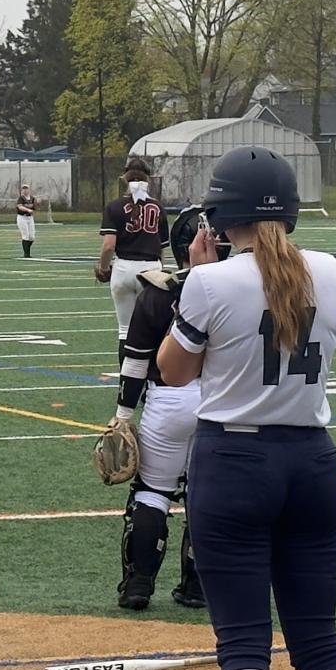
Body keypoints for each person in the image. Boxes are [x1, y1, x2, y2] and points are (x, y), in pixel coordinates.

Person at [157, 146, 336, 670]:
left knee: (243, 644)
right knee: (319, 640)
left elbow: (173, 369)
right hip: (310, 459)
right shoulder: (332, 271)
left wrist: (194, 273)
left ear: (222, 214)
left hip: (235, 458)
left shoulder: (211, 281)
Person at [109, 206, 208, 611]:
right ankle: (198, 586)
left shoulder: (158, 291)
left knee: (152, 492)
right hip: (224, 401)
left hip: (168, 398)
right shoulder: (246, 288)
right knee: (208, 496)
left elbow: (135, 361)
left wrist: (123, 414)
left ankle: (139, 583)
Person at [96, 159, 169, 364]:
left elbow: (109, 245)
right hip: (151, 270)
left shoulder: (114, 207)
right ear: (148, 179)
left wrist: (103, 267)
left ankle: (127, 382)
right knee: (152, 330)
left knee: (125, 330)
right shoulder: (158, 207)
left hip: (123, 268)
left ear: (125, 179)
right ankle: (151, 380)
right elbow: (162, 247)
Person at [15, 184, 37, 258]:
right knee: (25, 235)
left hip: (30, 218)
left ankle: (27, 250)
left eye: (26, 188)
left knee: (32, 237)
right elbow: (20, 207)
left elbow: (34, 207)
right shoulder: (21, 198)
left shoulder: (32, 198)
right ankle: (26, 254)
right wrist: (27, 209)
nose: (25, 190)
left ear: (29, 190)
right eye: (23, 189)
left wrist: (38, 203)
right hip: (22, 218)